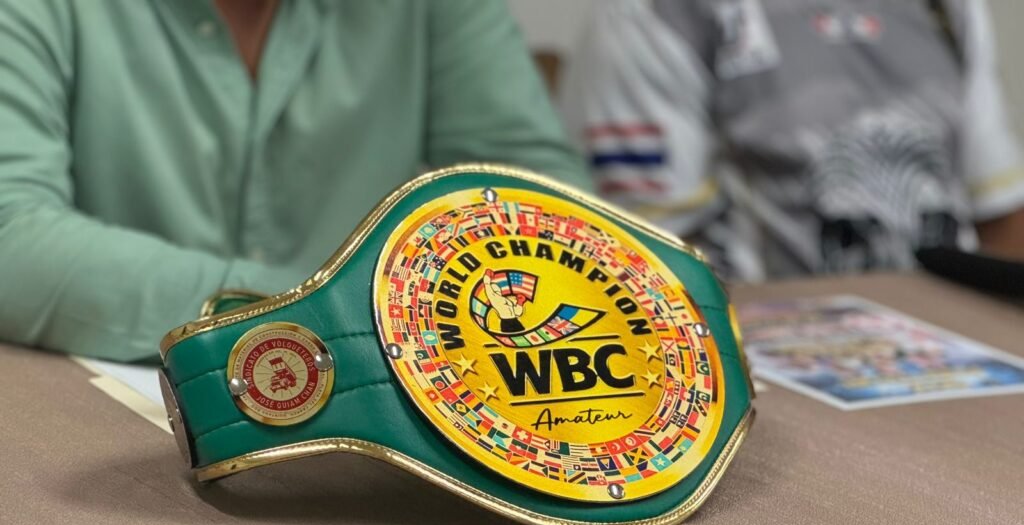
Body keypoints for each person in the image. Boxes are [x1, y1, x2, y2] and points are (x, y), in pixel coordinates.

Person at [0, 0, 589, 362]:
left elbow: (546, 205)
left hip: (382, 404)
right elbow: (11, 238)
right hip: (96, 405)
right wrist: (334, 318)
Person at [562, 0, 1024, 280]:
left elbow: (999, 212)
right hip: (764, 358)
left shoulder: (949, 9)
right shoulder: (650, 14)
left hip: (952, 343)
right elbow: (645, 257)